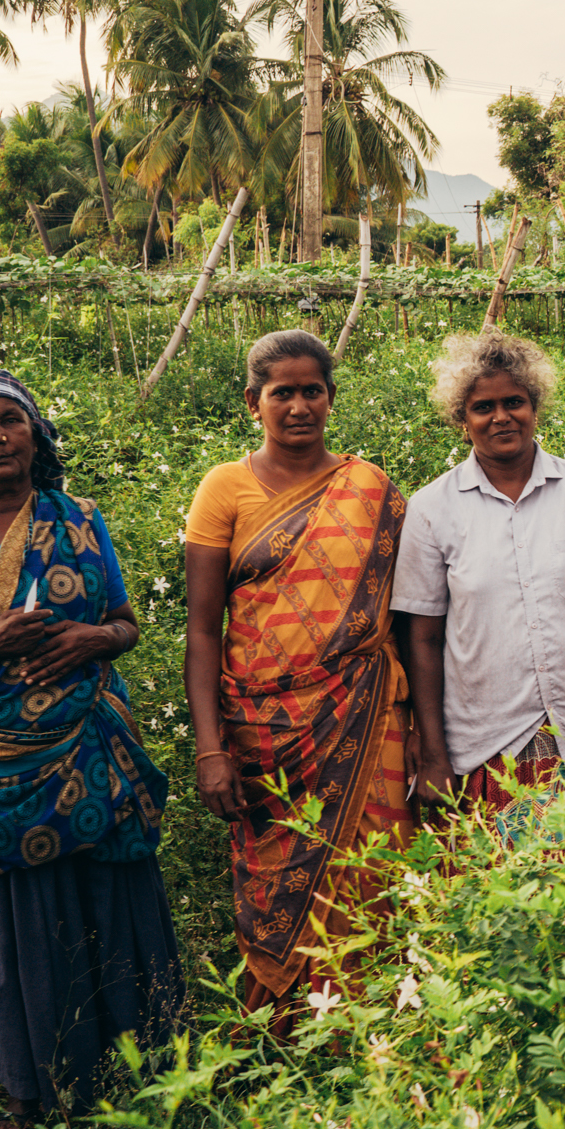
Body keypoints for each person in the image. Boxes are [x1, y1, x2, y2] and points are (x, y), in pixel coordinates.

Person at [0, 371, 181, 1129]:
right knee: (24, 915)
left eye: (10, 420)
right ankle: (37, 1086)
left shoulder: (81, 519)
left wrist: (98, 636)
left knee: (111, 898)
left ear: (35, 434)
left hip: (89, 743)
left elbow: (125, 621)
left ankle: (143, 1073)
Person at [184, 330, 413, 1014]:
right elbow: (201, 629)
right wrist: (210, 747)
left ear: (331, 398)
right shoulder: (223, 488)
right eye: (282, 392)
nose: (299, 405)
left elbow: (408, 618)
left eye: (312, 390)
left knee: (377, 870)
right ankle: (283, 1043)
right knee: (277, 886)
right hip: (263, 735)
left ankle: (377, 1034)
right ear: (253, 402)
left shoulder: (369, 487)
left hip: (368, 717)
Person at [395, 327, 565, 824]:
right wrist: (432, 752)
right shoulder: (431, 510)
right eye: (483, 407)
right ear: (460, 418)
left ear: (536, 406)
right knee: (497, 894)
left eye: (515, 401)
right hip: (484, 746)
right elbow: (421, 638)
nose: (501, 417)